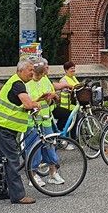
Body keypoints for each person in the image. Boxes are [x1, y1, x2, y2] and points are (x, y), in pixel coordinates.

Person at [0, 58, 43, 204]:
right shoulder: (18, 84)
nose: (32, 73)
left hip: (2, 126)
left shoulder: (15, 82)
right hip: (3, 127)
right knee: (12, 160)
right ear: (20, 70)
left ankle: (0, 191)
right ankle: (18, 196)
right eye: (30, 70)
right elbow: (27, 103)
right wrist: (37, 104)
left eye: (33, 70)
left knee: (3, 160)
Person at [25, 59, 64, 188]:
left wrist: (51, 98)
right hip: (32, 120)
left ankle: (53, 173)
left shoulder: (45, 79)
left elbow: (51, 94)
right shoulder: (27, 83)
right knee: (33, 148)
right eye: (39, 74)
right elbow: (27, 101)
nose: (41, 76)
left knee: (50, 145)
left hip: (46, 118)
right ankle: (33, 175)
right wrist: (40, 99)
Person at [53, 60, 80, 129]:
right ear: (66, 70)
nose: (73, 70)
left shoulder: (74, 78)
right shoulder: (63, 80)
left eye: (74, 68)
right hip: (66, 106)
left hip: (74, 105)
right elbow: (66, 91)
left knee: (74, 122)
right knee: (68, 122)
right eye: (71, 68)